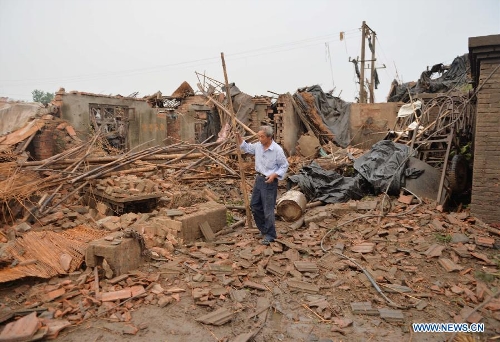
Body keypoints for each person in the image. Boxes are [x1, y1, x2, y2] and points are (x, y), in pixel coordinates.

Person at [236, 126, 289, 245]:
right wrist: (239, 138)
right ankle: (263, 229)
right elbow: (247, 147)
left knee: (268, 209)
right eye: (258, 136)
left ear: (269, 137)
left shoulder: (277, 150)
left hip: (269, 181)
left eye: (262, 137)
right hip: (259, 179)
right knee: (255, 205)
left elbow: (284, 165)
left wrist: (274, 175)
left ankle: (270, 234)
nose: (259, 139)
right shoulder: (258, 146)